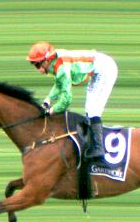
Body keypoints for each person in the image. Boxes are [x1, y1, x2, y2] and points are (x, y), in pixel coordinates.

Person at [28, 42, 120, 173]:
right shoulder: (55, 62)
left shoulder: (61, 68)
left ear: (47, 60)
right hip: (98, 66)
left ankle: (99, 149)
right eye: (34, 65)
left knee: (93, 109)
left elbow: (66, 100)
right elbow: (59, 83)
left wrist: (51, 111)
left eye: (38, 65)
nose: (38, 69)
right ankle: (92, 142)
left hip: (105, 69)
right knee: (89, 108)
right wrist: (47, 101)